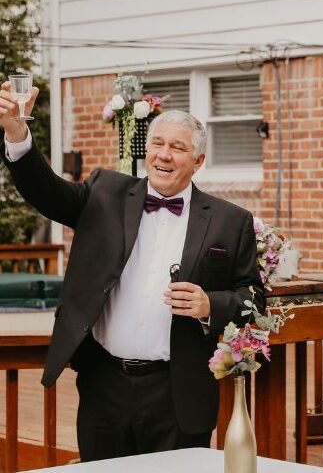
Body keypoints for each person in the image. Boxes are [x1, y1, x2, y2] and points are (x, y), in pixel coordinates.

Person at [0, 82, 265, 461]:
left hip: (178, 391)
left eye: (178, 147)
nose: (164, 155)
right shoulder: (105, 192)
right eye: (157, 143)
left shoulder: (230, 221)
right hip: (103, 383)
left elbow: (253, 300)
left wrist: (211, 304)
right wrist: (16, 133)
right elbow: (47, 192)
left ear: (198, 161)